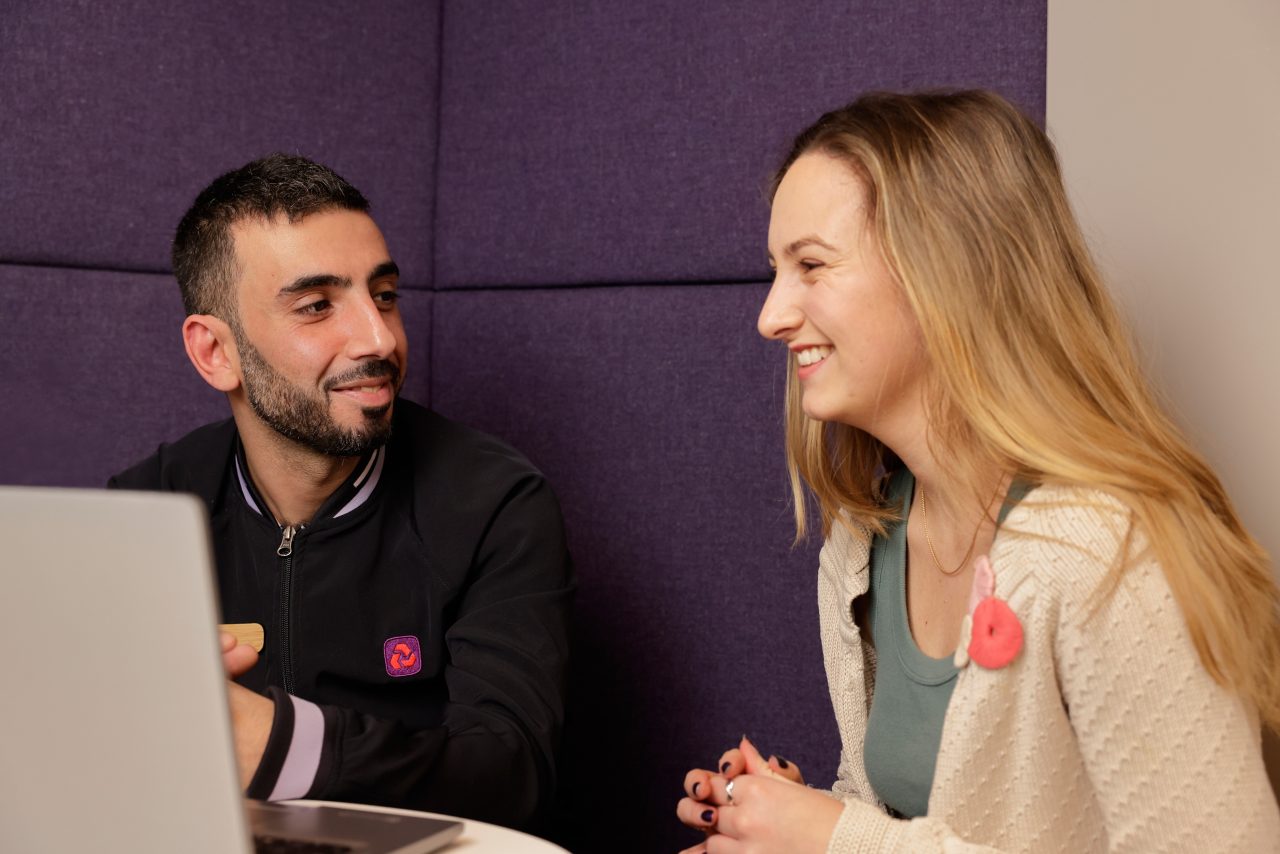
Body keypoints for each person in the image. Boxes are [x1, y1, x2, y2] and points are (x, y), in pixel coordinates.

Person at [676, 90, 1280, 852]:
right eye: (775, 269)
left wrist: (844, 841)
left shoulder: (1111, 556)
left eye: (812, 266)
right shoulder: (862, 547)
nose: (770, 315)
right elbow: (910, 824)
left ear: (946, 273)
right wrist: (795, 827)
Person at [109, 154, 573, 828]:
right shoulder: (146, 511)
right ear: (216, 352)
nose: (379, 338)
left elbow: (510, 775)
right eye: (317, 306)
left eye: (383, 295)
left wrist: (281, 745)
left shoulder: (496, 504)